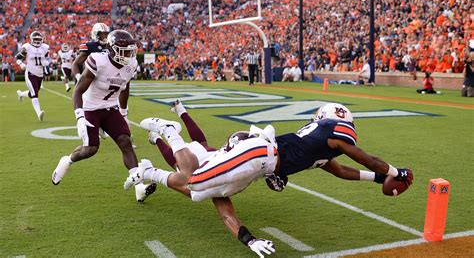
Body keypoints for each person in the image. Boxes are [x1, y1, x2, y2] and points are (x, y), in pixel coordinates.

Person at [125, 102, 413, 257]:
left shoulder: (320, 148)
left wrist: (248, 240)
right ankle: (169, 131)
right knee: (193, 182)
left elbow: (342, 171)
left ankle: (149, 171)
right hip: (258, 155)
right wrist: (394, 172)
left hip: (259, 165)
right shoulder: (330, 133)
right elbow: (363, 157)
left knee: (201, 193)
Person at [52, 30, 156, 202]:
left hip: (110, 107)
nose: (129, 54)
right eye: (125, 51)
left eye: (130, 50)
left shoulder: (131, 65)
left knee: (125, 141)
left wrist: (123, 112)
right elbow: (78, 90)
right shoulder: (98, 61)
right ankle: (67, 160)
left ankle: (139, 187)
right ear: (112, 49)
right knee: (91, 149)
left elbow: (125, 88)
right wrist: (79, 116)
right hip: (90, 107)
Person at [15, 31, 49, 121]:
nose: (37, 41)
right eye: (36, 39)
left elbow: (44, 57)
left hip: (40, 74)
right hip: (30, 72)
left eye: (39, 39)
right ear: (31, 39)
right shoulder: (27, 47)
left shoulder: (45, 48)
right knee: (34, 94)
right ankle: (39, 113)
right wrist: (21, 63)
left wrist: (45, 62)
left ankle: (21, 94)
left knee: (33, 92)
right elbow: (17, 57)